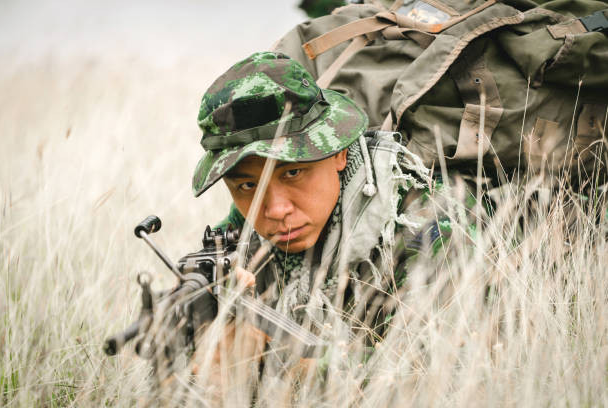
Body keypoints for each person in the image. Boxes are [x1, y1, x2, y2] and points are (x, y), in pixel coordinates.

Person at [192, 51, 457, 350]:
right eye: (248, 184)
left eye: (292, 172)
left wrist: (280, 363)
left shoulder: (426, 222)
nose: (276, 209)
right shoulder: (241, 232)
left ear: (339, 152)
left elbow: (440, 369)